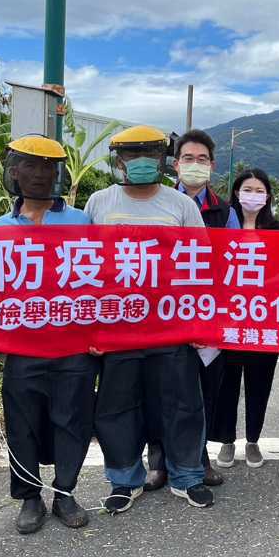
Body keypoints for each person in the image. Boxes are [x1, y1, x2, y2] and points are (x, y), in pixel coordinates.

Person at [83, 125, 212, 513]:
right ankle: (124, 479)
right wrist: (90, 326)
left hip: (172, 325)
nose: (140, 163)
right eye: (132, 156)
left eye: (149, 156)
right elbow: (81, 265)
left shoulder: (181, 205)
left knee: (182, 402)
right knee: (117, 404)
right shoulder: (99, 203)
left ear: (162, 161)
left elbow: (201, 264)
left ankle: (187, 475)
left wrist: (200, 322)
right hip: (117, 326)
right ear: (119, 162)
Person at [0, 136, 96, 534]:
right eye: (29, 167)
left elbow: (102, 282)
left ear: (59, 174)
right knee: (23, 422)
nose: (38, 175)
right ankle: (30, 497)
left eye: (46, 168)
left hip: (74, 342)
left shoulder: (82, 221)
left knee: (73, 419)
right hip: (23, 344)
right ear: (13, 173)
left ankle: (65, 493)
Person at [168, 128, 239, 487]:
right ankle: (161, 459)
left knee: (204, 388)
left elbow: (237, 263)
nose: (195, 165)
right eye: (188, 158)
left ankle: (200, 457)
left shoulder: (224, 211)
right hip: (165, 313)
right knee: (165, 388)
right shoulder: (160, 202)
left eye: (202, 159)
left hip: (209, 313)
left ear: (212, 166)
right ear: (176, 164)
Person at [209, 168, 279, 469]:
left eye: (259, 190)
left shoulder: (277, 229)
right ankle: (227, 440)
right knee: (226, 383)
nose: (253, 195)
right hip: (228, 320)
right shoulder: (223, 225)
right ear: (236, 192)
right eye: (247, 189)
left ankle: (253, 439)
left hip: (264, 320)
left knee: (260, 382)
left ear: (267, 196)